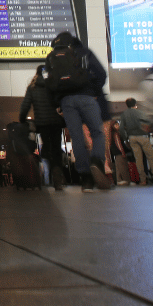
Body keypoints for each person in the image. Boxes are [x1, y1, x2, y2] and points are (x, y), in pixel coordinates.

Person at [44, 31, 111, 192]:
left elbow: (49, 83)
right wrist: (94, 92)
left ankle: (85, 178)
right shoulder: (84, 53)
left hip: (67, 102)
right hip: (87, 97)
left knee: (77, 137)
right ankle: (97, 162)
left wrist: (57, 102)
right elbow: (101, 74)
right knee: (97, 132)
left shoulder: (52, 57)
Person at [18, 65, 66, 190]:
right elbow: (62, 102)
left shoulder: (32, 87)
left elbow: (25, 106)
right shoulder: (54, 86)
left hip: (42, 123)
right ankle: (58, 178)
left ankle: (48, 170)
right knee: (57, 149)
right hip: (56, 122)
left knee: (48, 147)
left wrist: (22, 119)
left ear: (36, 73)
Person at [118, 98, 153, 185]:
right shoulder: (140, 112)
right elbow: (149, 122)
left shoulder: (124, 114)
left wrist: (125, 139)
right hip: (143, 137)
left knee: (138, 159)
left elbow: (121, 129)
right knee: (151, 158)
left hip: (131, 138)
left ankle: (142, 180)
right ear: (135, 104)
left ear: (126, 105)